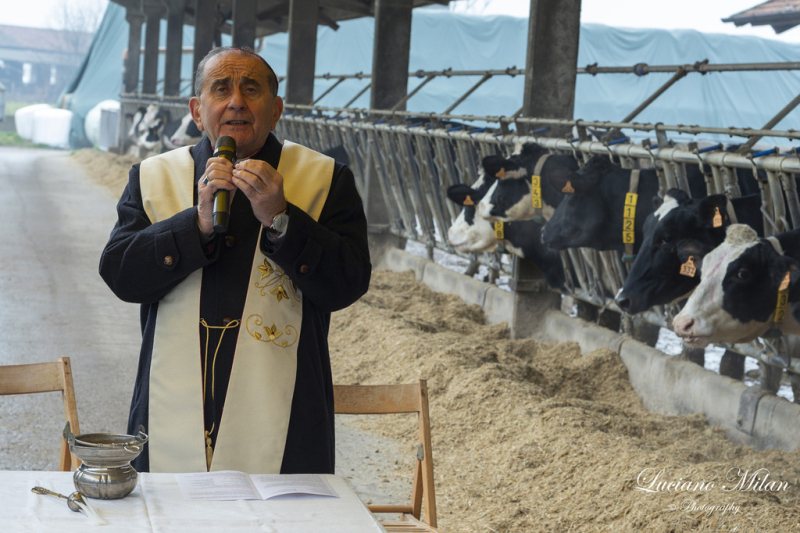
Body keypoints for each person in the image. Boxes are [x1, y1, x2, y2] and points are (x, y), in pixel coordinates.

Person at [99, 46, 371, 474]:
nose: (236, 101)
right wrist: (196, 225)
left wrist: (283, 219)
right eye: (221, 88)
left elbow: (348, 283)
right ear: (196, 109)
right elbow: (120, 276)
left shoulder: (325, 179)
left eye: (251, 89)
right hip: (171, 403)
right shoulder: (154, 176)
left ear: (276, 109)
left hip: (285, 410)